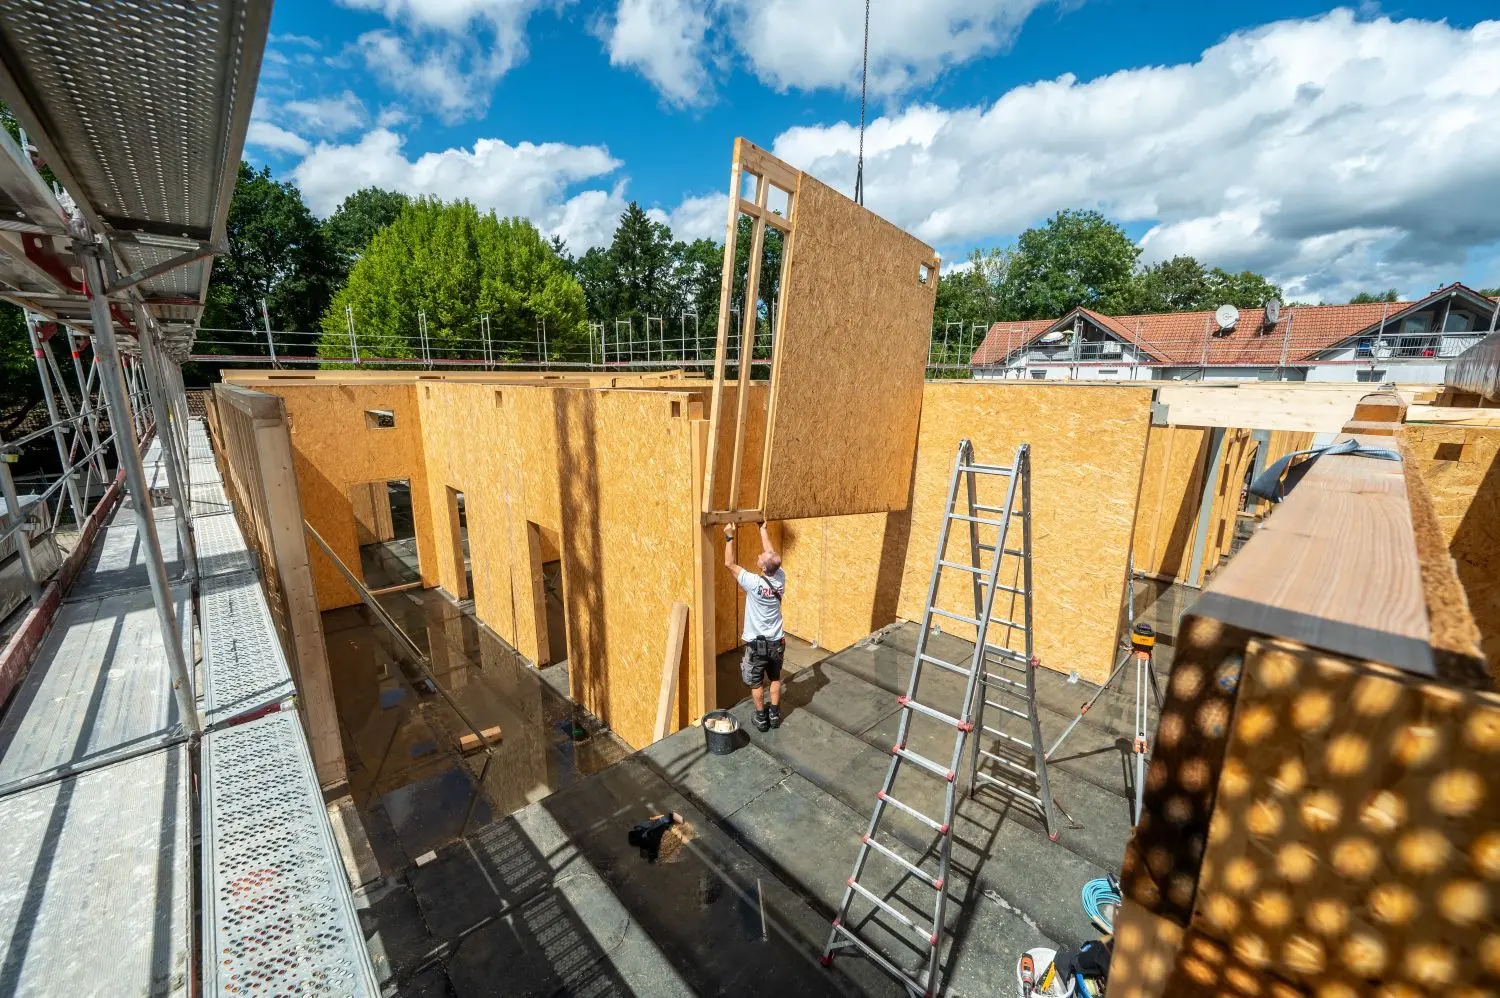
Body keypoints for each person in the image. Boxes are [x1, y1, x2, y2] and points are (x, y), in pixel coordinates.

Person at [723, 520, 785, 732]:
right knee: (775, 677)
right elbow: (771, 553)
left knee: (756, 682)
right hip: (777, 642)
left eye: (761, 557)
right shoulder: (780, 577)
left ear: (762, 567)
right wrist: (762, 529)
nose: (760, 554)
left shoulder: (754, 582)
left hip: (757, 646)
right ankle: (774, 715)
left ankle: (761, 717)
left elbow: (729, 563)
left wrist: (729, 536)